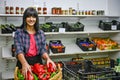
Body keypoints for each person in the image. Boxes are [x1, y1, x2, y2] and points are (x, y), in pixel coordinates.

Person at [14, 7, 56, 77]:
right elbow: (19, 50)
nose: (31, 19)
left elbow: (43, 50)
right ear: (25, 18)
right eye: (28, 17)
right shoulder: (19, 33)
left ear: (36, 19)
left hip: (38, 63)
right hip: (23, 61)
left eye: (33, 17)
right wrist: (24, 64)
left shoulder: (40, 33)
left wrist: (48, 59)